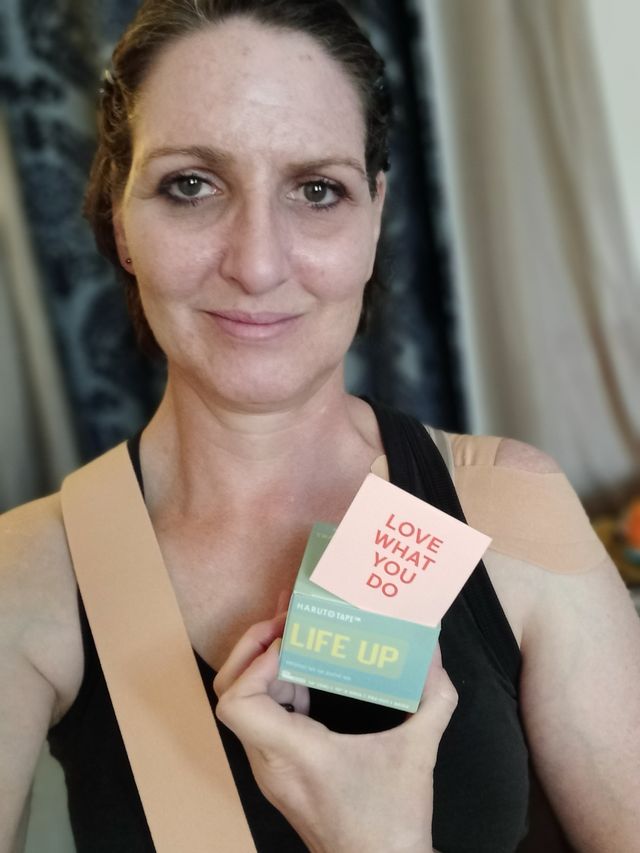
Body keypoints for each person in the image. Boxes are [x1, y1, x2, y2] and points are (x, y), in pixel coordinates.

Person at [1, 1, 639, 851]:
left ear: (375, 216)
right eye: (191, 184)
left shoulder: (512, 505)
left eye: (316, 190)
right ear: (121, 220)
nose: (258, 262)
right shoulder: (27, 575)